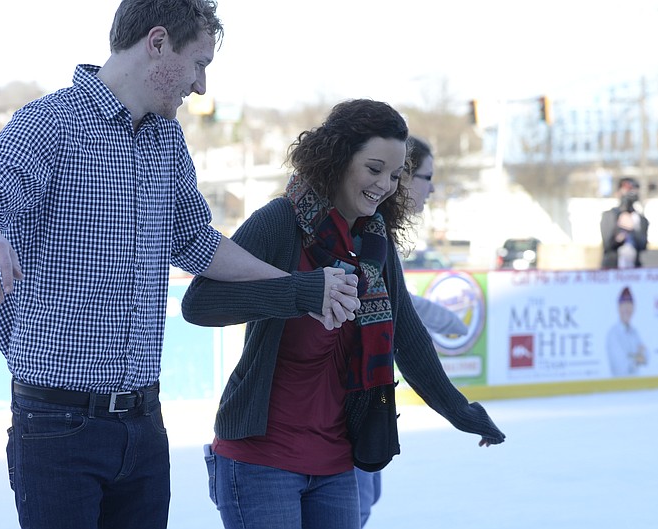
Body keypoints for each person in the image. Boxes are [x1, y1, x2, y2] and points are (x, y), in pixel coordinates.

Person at [0, 2, 359, 528]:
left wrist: (299, 286)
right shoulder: (50, 122)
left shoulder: (166, 139)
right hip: (57, 425)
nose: (201, 86)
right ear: (157, 43)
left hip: (143, 423)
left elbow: (197, 243)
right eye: (199, 63)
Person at [181, 99, 505, 529]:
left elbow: (407, 340)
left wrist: (460, 411)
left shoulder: (374, 244)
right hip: (261, 459)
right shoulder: (280, 222)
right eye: (374, 169)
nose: (385, 185)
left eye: (394, 175)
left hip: (336, 462)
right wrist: (301, 292)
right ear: (337, 158)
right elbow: (199, 303)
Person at [355, 135, 469, 527]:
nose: (432, 187)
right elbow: (388, 304)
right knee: (357, 502)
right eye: (426, 176)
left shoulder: (377, 231)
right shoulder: (363, 230)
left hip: (365, 407)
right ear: (401, 179)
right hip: (339, 412)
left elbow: (389, 298)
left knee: (365, 498)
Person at [600, 177, 650, 269]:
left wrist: (632, 229)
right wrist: (620, 229)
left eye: (633, 189)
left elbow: (643, 245)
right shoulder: (609, 215)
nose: (630, 193)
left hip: (633, 269)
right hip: (612, 270)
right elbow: (607, 245)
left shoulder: (640, 219)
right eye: (627, 189)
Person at [606, 286, 647, 376]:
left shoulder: (635, 332)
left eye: (629, 305)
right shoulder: (613, 334)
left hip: (637, 386)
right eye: (624, 305)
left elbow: (647, 357)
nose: (627, 310)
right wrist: (637, 357)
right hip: (619, 387)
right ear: (619, 308)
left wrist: (634, 357)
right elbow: (621, 368)